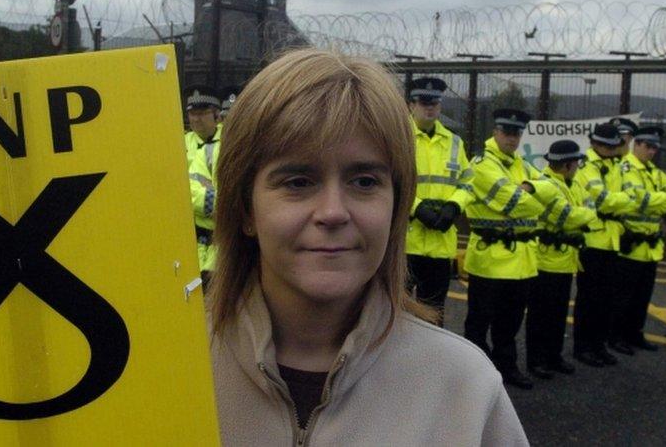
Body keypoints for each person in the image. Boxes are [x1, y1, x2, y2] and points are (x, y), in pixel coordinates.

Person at [207, 49, 528, 445]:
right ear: (245, 210)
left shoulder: (467, 388)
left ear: (396, 205)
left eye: (364, 182)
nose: (332, 212)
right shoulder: (159, 367)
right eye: (297, 182)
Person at [464, 108, 555, 390]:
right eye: (507, 132)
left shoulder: (521, 164)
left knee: (510, 322)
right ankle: (474, 374)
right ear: (495, 131)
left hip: (521, 260)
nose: (512, 138)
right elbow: (513, 202)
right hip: (490, 258)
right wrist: (533, 192)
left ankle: (507, 366)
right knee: (479, 322)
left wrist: (530, 188)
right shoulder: (482, 164)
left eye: (517, 133)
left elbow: (554, 188)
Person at [525, 140, 599, 379]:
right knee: (541, 315)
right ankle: (537, 360)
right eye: (576, 162)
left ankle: (554, 356)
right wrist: (586, 215)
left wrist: (584, 214)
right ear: (567, 165)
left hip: (566, 260)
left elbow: (588, 206)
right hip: (546, 262)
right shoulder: (546, 185)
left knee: (558, 314)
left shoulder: (574, 184)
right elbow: (569, 217)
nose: (578, 166)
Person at [404, 76, 473, 325]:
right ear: (411, 105)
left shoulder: (454, 143)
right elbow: (390, 180)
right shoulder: (400, 138)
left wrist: (454, 205)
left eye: (434, 103)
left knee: (434, 315)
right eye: (423, 102)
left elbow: (468, 182)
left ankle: (431, 363)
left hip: (441, 242)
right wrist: (417, 207)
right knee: (395, 310)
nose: (430, 108)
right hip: (405, 243)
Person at [572, 123, 637, 368]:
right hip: (592, 241)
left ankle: (598, 345)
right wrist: (626, 201)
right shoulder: (586, 166)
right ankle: (582, 347)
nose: (611, 150)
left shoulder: (615, 166)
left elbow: (627, 198)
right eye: (608, 146)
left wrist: (623, 201)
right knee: (589, 298)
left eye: (614, 146)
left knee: (606, 299)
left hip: (612, 239)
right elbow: (603, 201)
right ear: (596, 144)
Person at [610, 126, 666, 355]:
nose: (652, 151)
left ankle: (635, 333)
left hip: (650, 247)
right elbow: (637, 200)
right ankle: (616, 336)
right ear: (636, 144)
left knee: (642, 297)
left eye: (655, 147)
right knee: (622, 297)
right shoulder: (626, 167)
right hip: (631, 244)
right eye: (648, 146)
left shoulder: (654, 172)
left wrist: (662, 199)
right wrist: (663, 199)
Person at [184, 85, 222, 288]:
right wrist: (212, 203)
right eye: (192, 114)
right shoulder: (180, 143)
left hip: (223, 244)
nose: (196, 119)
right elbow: (176, 189)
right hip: (192, 244)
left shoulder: (231, 140)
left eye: (202, 113)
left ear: (216, 115)